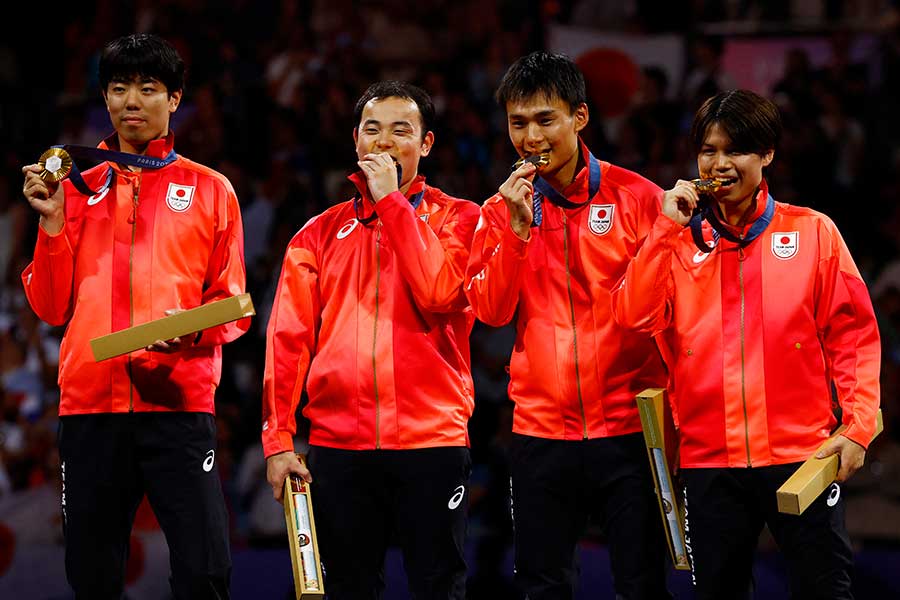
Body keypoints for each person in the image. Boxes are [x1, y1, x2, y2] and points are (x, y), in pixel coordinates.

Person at [612, 89, 881, 599]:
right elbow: (632, 316)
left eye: (735, 150)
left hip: (803, 455)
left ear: (767, 154)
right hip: (710, 464)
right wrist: (664, 229)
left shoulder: (813, 232)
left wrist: (858, 425)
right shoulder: (678, 241)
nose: (719, 164)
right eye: (708, 150)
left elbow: (854, 337)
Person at [20, 33, 249, 599]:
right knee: (93, 578)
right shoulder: (73, 189)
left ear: (174, 99)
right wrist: (50, 225)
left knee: (204, 572)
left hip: (177, 405)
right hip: (91, 407)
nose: (131, 101)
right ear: (104, 98)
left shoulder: (211, 190)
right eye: (118, 88)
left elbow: (237, 306)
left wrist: (190, 326)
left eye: (148, 89)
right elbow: (49, 307)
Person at [464, 51, 671, 599]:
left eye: (544, 119)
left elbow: (674, 314)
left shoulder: (641, 199)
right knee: (542, 586)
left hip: (631, 432)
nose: (530, 136)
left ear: (580, 117)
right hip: (539, 435)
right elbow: (490, 311)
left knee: (642, 586)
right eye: (517, 122)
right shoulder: (499, 210)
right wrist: (515, 231)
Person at [262, 80, 480, 599]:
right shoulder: (315, 233)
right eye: (372, 130)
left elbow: (437, 291)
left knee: (439, 587)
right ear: (355, 141)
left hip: (432, 441)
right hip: (340, 447)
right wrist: (277, 442)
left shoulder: (462, 218)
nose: (384, 143)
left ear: (425, 145)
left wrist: (391, 204)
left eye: (401, 131)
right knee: (346, 589)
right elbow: (288, 341)